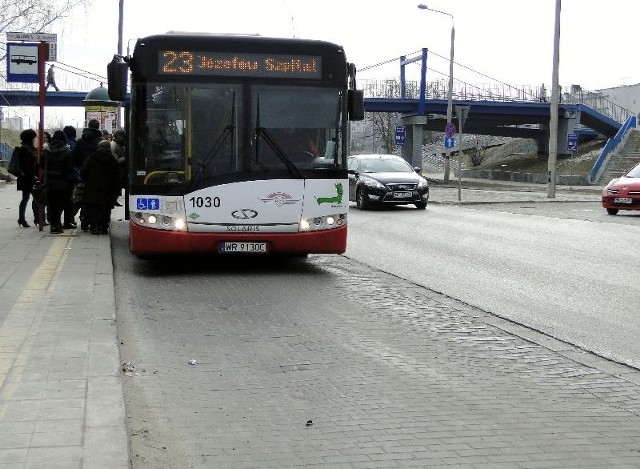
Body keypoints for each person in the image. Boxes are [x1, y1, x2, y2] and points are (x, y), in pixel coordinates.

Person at [80, 140, 120, 235]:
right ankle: (104, 227)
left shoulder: (92, 158)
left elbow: (83, 171)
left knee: (93, 209)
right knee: (105, 209)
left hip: (92, 188)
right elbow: (117, 176)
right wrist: (116, 190)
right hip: (108, 190)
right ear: (109, 148)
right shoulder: (113, 160)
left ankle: (94, 226)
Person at [71, 119, 102, 230]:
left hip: (83, 173)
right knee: (94, 198)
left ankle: (83, 219)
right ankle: (93, 222)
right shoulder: (100, 142)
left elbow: (73, 158)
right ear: (98, 127)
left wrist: (80, 167)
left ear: (88, 126)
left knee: (82, 196)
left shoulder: (80, 141)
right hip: (97, 175)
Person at [40, 130, 73, 234]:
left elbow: (41, 164)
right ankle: (57, 225)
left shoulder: (46, 150)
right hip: (62, 181)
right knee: (60, 203)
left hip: (49, 180)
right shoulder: (67, 151)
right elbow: (70, 166)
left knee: (52, 203)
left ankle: (54, 225)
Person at [16, 129, 38, 228]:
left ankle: (22, 219)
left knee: (26, 198)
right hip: (28, 177)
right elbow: (26, 165)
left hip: (26, 177)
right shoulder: (26, 149)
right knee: (34, 197)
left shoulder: (26, 148)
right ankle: (35, 218)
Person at [111, 128, 127, 207]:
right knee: (115, 187)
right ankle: (112, 201)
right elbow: (115, 160)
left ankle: (114, 200)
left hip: (119, 171)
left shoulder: (119, 145)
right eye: (122, 137)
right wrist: (125, 158)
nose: (124, 138)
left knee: (118, 187)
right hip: (116, 171)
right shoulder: (114, 145)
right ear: (118, 136)